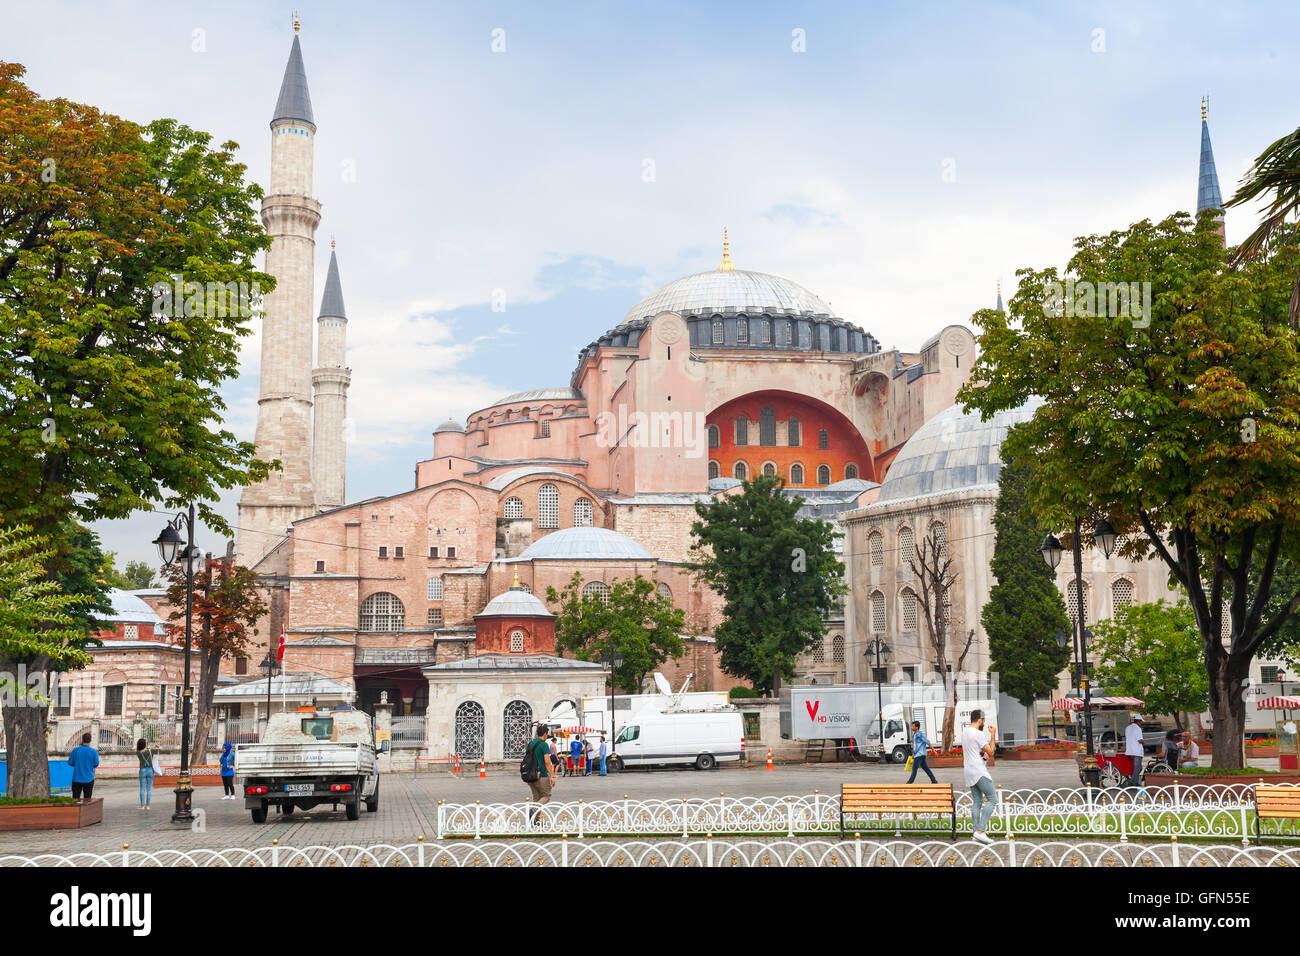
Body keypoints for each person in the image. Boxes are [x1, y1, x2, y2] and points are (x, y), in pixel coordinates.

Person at [961, 710, 997, 844]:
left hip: (969, 770)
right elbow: (991, 752)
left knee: (977, 802)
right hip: (979, 771)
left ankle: (975, 833)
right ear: (980, 720)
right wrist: (993, 735)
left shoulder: (965, 732)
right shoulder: (978, 733)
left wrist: (984, 756)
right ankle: (980, 831)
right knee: (993, 799)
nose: (984, 723)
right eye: (984, 720)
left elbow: (982, 753)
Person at [525, 725, 557, 824]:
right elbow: (547, 762)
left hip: (530, 775)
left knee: (537, 798)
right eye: (547, 734)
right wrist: (551, 776)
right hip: (541, 775)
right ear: (544, 734)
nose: (547, 736)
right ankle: (533, 810)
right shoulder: (543, 745)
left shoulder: (530, 744)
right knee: (546, 796)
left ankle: (537, 820)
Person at [68, 733, 99, 801]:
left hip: (77, 778)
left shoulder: (75, 750)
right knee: (87, 800)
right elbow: (96, 764)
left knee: (75, 799)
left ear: (82, 739)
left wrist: (78, 765)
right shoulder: (93, 751)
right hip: (89, 779)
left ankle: (75, 811)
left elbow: (70, 762)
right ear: (90, 740)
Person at [1124, 714, 1146, 787]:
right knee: (1138, 768)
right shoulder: (1138, 728)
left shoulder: (1127, 728)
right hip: (1137, 751)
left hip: (1130, 750)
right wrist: (1144, 743)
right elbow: (1139, 740)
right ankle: (1132, 782)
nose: (1141, 723)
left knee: (1138, 767)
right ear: (1138, 721)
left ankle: (1133, 780)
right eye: (1141, 722)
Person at [136, 738, 155, 809]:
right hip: (150, 770)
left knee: (142, 788)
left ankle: (142, 806)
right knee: (149, 789)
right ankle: (148, 805)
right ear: (145, 745)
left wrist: (146, 748)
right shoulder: (151, 751)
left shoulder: (138, 752)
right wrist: (155, 746)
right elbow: (161, 748)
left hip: (142, 770)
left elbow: (141, 750)